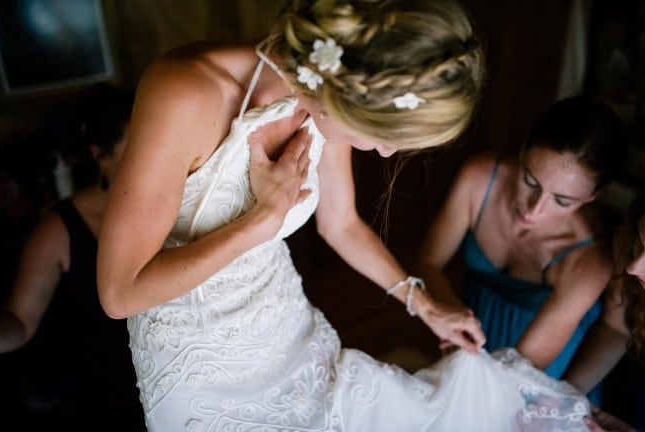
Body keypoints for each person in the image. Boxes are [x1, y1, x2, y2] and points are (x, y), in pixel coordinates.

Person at [97, 1, 601, 430]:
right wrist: (261, 221)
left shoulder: (322, 102)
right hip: (198, 369)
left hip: (287, 331)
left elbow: (340, 223)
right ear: (350, 97)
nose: (382, 154)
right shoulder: (186, 90)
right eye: (386, 138)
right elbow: (120, 293)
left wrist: (421, 303)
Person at [417, 96, 625, 381]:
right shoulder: (478, 178)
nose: (534, 209)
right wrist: (449, 313)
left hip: (537, 368)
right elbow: (428, 262)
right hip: (468, 321)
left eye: (562, 201)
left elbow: (519, 372)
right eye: (530, 180)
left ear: (592, 198)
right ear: (524, 147)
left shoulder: (590, 261)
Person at [0, 84, 146, 431]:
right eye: (136, 148)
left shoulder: (182, 205)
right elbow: (20, 321)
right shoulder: (59, 229)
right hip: (108, 395)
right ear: (100, 156)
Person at [564, 193, 645, 432]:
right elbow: (616, 328)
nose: (634, 267)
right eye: (641, 243)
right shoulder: (628, 250)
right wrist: (567, 392)